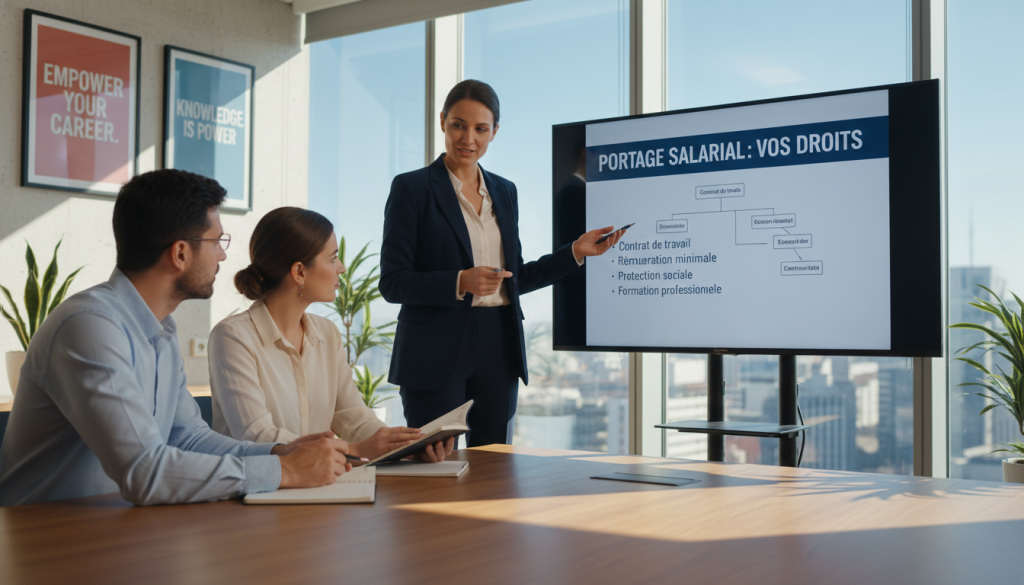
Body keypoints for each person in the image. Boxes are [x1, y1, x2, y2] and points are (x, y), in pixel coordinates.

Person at [0, 170, 353, 506]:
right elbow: (144, 471)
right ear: (181, 252)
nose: (224, 255)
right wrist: (284, 470)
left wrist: (282, 451)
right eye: (217, 242)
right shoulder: (90, 327)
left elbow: (189, 438)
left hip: (116, 531)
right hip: (41, 541)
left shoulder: (161, 331)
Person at [379, 79, 622, 447]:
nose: (468, 138)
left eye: (481, 128)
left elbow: (515, 277)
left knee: (494, 464)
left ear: (495, 132)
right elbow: (393, 282)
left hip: (499, 342)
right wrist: (460, 281)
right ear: (442, 121)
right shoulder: (411, 188)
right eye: (459, 124)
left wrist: (575, 251)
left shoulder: (505, 191)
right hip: (435, 345)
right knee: (434, 463)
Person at [208, 207, 453, 462]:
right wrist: (353, 451)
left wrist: (404, 446)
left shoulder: (327, 333)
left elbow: (353, 416)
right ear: (300, 272)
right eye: (333, 258)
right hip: (259, 488)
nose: (342, 268)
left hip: (320, 483)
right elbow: (257, 436)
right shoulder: (233, 337)